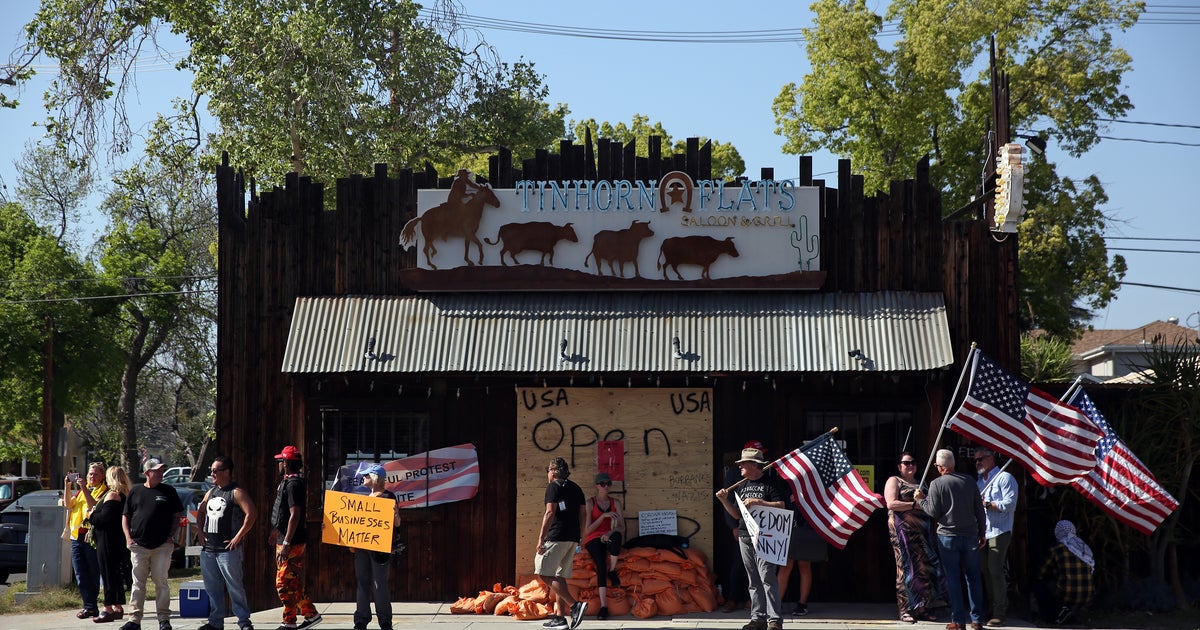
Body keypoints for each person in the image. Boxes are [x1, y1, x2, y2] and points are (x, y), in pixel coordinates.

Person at [715, 446, 787, 630]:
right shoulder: (742, 484)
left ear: (754, 466)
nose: (739, 467)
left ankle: (774, 620)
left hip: (766, 536)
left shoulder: (770, 483)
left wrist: (759, 502)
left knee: (767, 577)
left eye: (743, 464)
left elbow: (781, 505)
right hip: (745, 535)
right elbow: (738, 515)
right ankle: (758, 618)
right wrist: (724, 501)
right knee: (753, 579)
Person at [915, 449, 986, 630]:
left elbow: (933, 512)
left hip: (947, 536)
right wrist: (982, 533)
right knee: (973, 578)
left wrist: (921, 500)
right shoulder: (970, 481)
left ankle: (959, 621)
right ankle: (977, 620)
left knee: (953, 578)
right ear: (953, 465)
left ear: (940, 467)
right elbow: (979, 509)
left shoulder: (936, 484)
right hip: (970, 535)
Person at [121, 458, 185, 630]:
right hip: (139, 545)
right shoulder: (135, 491)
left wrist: (170, 535)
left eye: (161, 470)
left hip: (162, 546)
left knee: (161, 582)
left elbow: (177, 516)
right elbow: (126, 515)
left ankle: (164, 619)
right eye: (156, 470)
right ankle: (134, 620)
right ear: (147, 473)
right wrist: (128, 538)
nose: (160, 473)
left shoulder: (169, 491)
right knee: (138, 583)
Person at [884, 451, 946, 623]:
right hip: (903, 531)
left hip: (924, 532)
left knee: (925, 568)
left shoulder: (922, 482)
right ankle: (905, 609)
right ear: (899, 466)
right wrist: (915, 504)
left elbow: (931, 507)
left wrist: (924, 501)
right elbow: (891, 503)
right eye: (906, 463)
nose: (910, 465)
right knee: (906, 568)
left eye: (913, 462)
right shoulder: (895, 481)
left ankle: (923, 607)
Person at [196, 456, 257, 630]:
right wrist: (200, 532)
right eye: (211, 471)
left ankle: (244, 622)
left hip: (228, 550)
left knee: (235, 587)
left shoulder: (236, 492)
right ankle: (215, 622)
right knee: (212, 588)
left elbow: (251, 513)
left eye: (215, 471)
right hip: (209, 549)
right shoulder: (212, 491)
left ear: (227, 472)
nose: (212, 474)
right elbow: (200, 512)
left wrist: (238, 537)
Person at [270, 445, 323, 630]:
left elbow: (295, 514)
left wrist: (286, 542)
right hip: (284, 537)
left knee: (283, 583)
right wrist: (276, 531)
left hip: (291, 541)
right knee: (292, 581)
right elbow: (283, 512)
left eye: (280, 462)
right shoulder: (287, 481)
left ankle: (289, 621)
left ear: (285, 463)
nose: (279, 465)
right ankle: (309, 614)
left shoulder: (294, 484)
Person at [534, 456, 587, 630]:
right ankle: (560, 618)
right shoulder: (576, 488)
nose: (547, 474)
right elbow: (583, 514)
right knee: (559, 576)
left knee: (543, 573)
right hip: (572, 538)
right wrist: (581, 536)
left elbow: (550, 513)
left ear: (554, 471)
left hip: (556, 537)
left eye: (548, 470)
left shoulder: (553, 487)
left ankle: (574, 606)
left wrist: (541, 538)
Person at [351, 464, 399, 630]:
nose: (363, 478)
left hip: (380, 548)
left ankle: (385, 620)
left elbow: (397, 524)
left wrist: (395, 515)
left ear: (374, 478)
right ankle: (361, 620)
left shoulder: (389, 497)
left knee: (379, 584)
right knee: (362, 582)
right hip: (362, 547)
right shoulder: (362, 501)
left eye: (366, 476)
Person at [974, 447, 1017, 627]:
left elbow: (1010, 503)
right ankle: (992, 608)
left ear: (991, 459)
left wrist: (988, 503)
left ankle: (1000, 611)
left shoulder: (1004, 478)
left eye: (981, 459)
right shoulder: (979, 482)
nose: (977, 463)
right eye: (975, 460)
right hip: (984, 531)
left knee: (995, 570)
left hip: (1000, 530)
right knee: (985, 570)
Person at [89, 466, 132, 624]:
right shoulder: (125, 495)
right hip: (117, 539)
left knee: (108, 574)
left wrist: (91, 514)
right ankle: (117, 606)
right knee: (115, 574)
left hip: (107, 540)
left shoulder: (113, 495)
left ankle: (107, 608)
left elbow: (104, 519)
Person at [66, 462, 108, 620]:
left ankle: (91, 606)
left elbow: (94, 505)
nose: (92, 477)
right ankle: (88, 605)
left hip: (91, 537)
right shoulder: (80, 492)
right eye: (90, 474)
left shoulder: (103, 491)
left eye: (96, 474)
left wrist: (83, 488)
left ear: (102, 476)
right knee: (80, 573)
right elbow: (68, 505)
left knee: (92, 572)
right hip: (77, 536)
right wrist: (67, 487)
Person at [1034, 520, 1094, 625]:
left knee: (1040, 586)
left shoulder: (1057, 549)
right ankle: (1076, 612)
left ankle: (1056, 613)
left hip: (1067, 594)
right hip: (1087, 594)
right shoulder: (1084, 547)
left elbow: (1041, 573)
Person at [582, 472, 624, 620]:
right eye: (603, 484)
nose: (606, 486)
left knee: (617, 537)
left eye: (608, 483)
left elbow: (621, 527)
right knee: (600, 564)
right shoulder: (590, 503)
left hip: (610, 535)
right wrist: (602, 517)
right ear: (597, 486)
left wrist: (610, 532)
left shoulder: (615, 503)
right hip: (594, 538)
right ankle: (603, 606)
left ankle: (612, 571)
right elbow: (588, 530)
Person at [719, 448, 751, 613]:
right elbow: (730, 501)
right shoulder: (734, 474)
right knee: (738, 564)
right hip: (742, 527)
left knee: (756, 568)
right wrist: (733, 526)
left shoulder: (767, 477)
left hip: (761, 529)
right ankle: (732, 598)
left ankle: (750, 599)